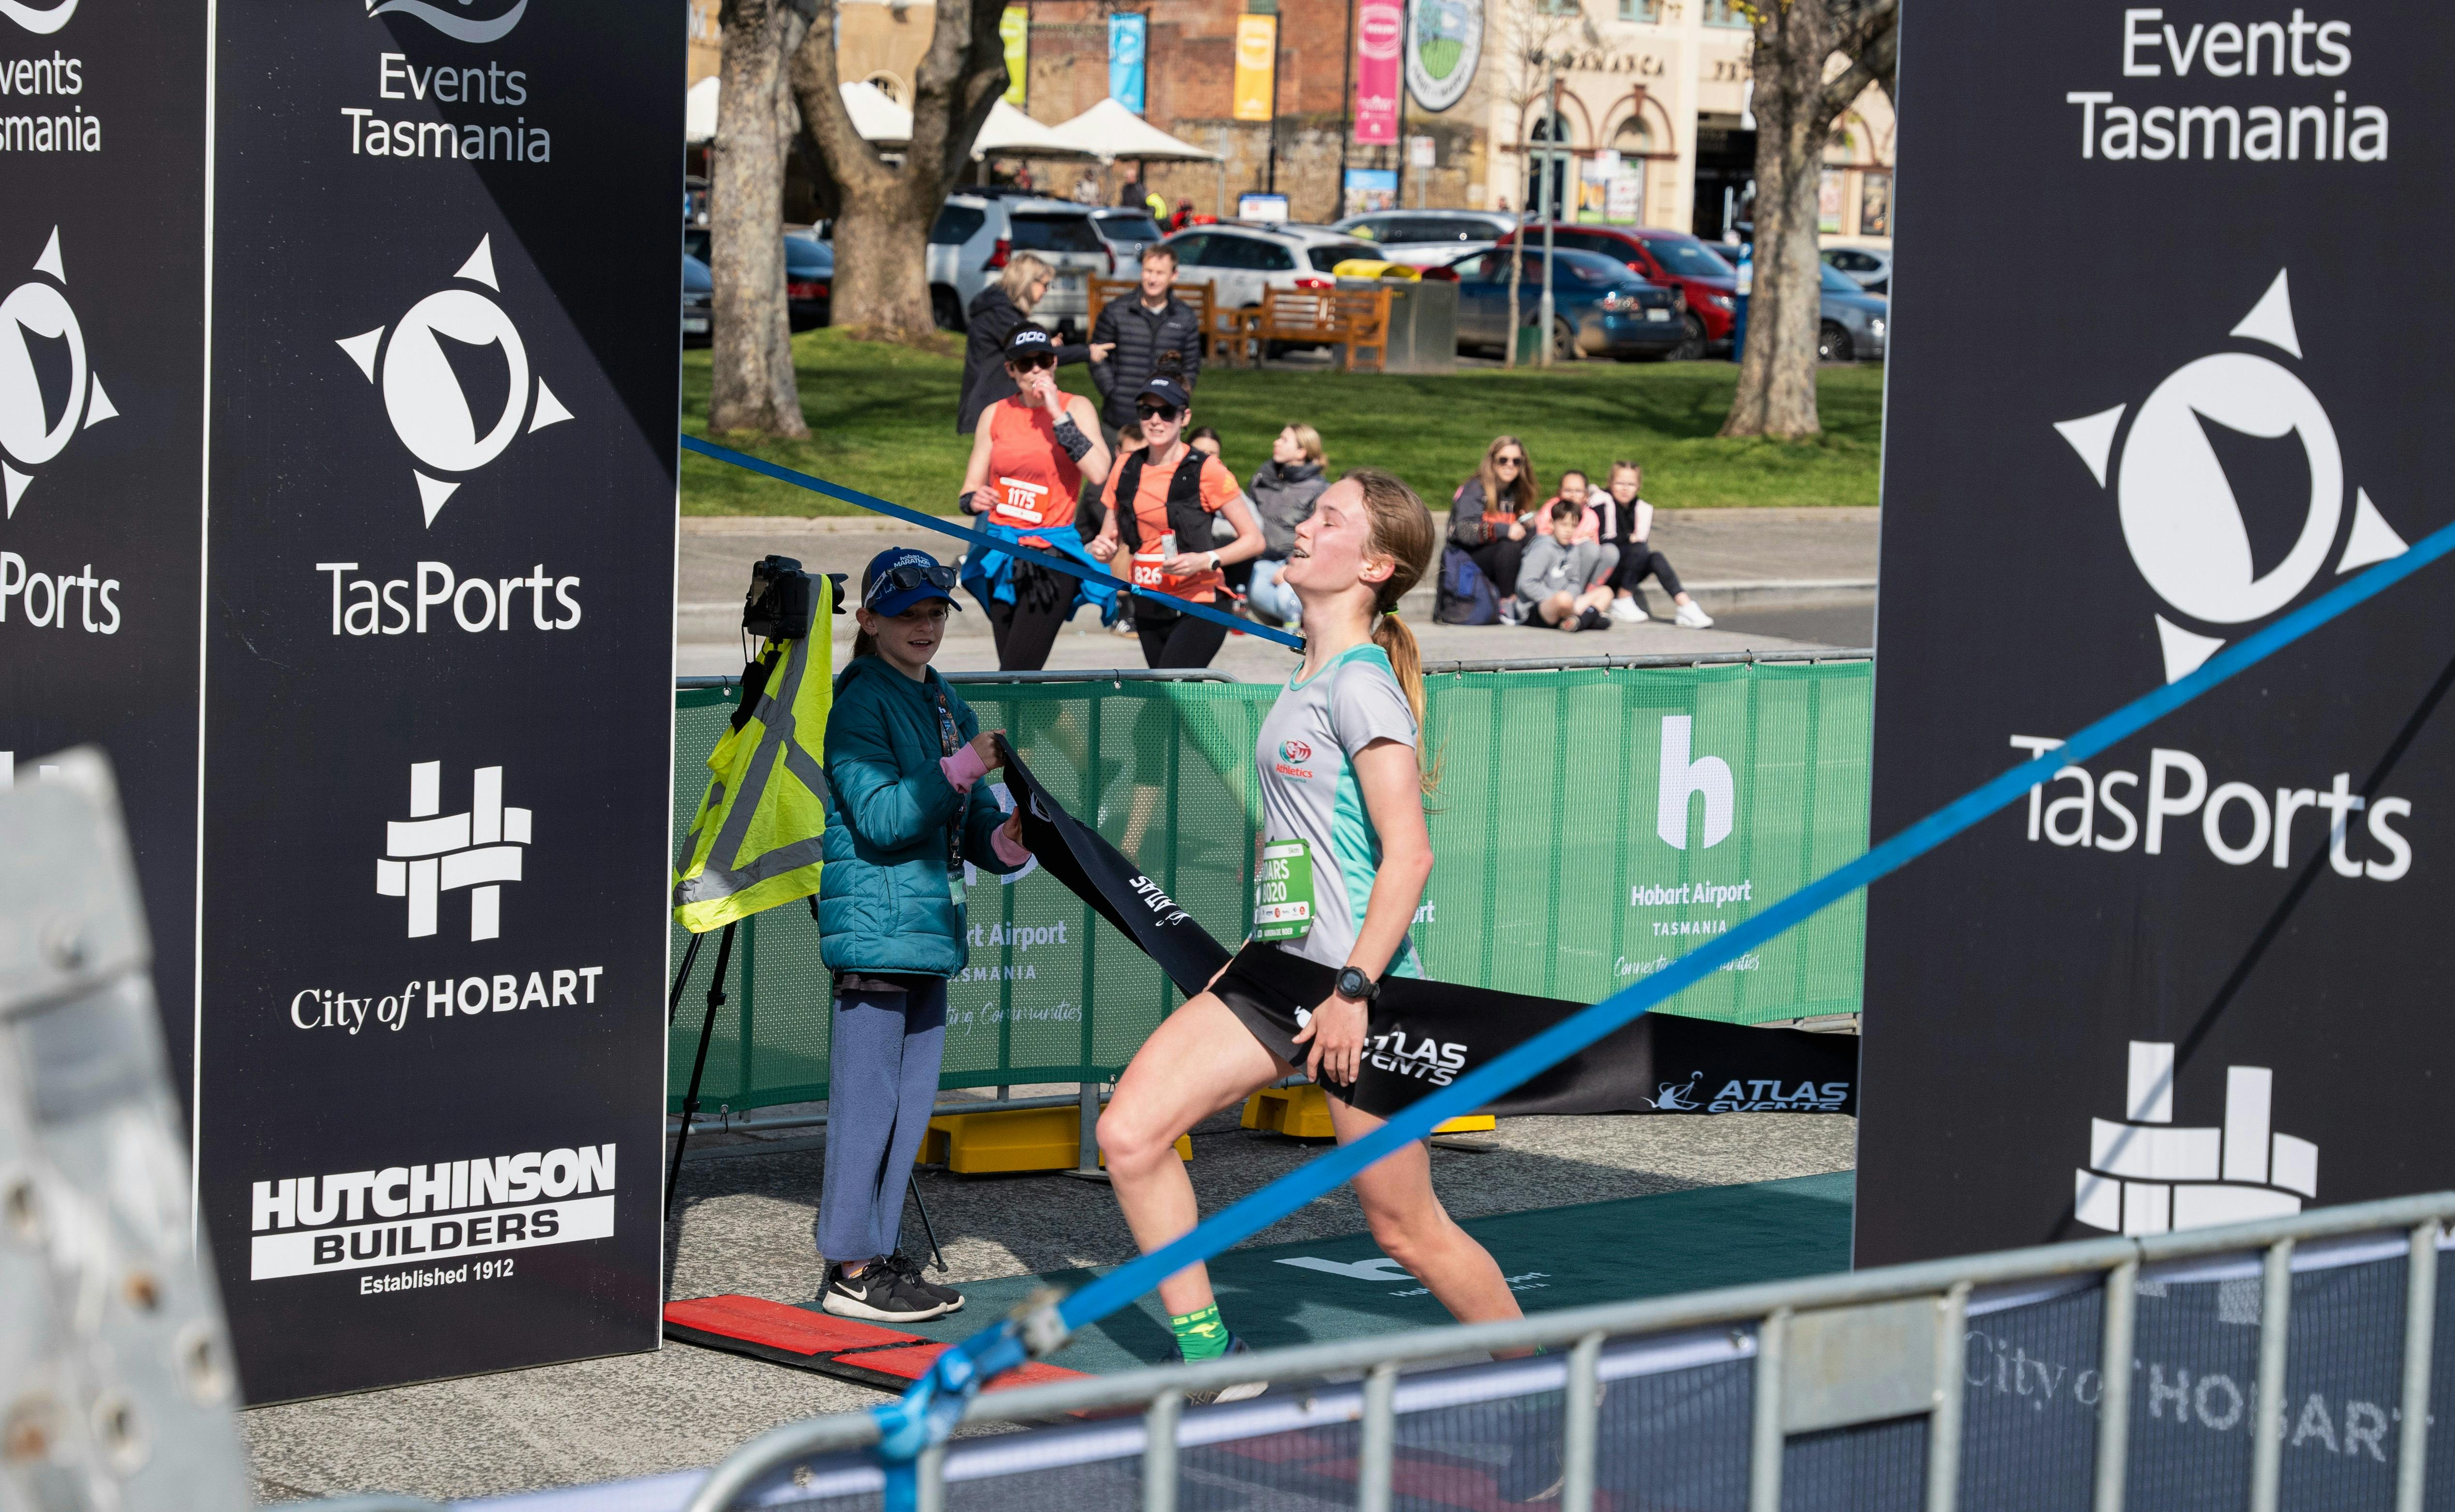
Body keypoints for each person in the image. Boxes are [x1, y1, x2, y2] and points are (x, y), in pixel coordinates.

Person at [1095, 469, 1527, 1394]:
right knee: (1130, 1134)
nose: (1301, 525)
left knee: (1404, 1228)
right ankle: (1210, 1358)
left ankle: (1549, 1382)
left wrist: (1354, 992)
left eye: (1328, 518)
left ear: (1373, 565)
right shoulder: (1310, 670)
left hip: (1357, 987)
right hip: (1275, 970)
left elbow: (1409, 856)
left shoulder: (1362, 684)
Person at [815, 549, 1035, 1322]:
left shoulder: (945, 700)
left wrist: (1011, 837)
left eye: (936, 612)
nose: (925, 625)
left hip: (929, 932)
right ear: (869, 620)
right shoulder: (859, 701)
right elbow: (881, 819)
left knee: (907, 1109)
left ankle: (876, 1254)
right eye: (906, 613)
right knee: (866, 1107)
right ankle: (850, 1265)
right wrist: (963, 768)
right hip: (877, 931)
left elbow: (972, 825)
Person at [957, 325, 1116, 669]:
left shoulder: (1076, 407)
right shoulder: (995, 413)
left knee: (1017, 671)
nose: (1035, 370)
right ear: (1011, 370)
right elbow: (968, 490)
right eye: (1025, 364)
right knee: (1013, 675)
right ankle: (1033, 709)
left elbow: (1100, 472)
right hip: (1001, 553)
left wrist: (1057, 414)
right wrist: (974, 500)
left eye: (1043, 361)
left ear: (1054, 363)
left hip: (1052, 555)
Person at [1087, 375, 1265, 669]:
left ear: (1185, 418)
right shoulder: (1125, 467)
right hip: (1148, 599)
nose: (1156, 420)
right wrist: (1103, 549)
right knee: (1170, 692)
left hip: (1199, 602)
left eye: (1167, 412)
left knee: (1170, 683)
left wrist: (1204, 560)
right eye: (1147, 411)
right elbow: (1110, 538)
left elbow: (1255, 541)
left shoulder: (1207, 469)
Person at [956, 253, 1111, 435]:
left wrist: (1044, 343)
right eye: (1045, 285)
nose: (1046, 291)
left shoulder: (1001, 311)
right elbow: (1032, 353)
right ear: (1027, 281)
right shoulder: (1000, 314)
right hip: (990, 403)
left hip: (994, 402)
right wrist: (1087, 352)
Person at [1090, 247, 1204, 443]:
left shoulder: (1185, 317)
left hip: (1164, 417)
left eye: (1160, 273)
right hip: (1120, 417)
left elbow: (1191, 365)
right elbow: (1097, 357)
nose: (1153, 279)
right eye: (1148, 271)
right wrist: (1112, 391)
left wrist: (1178, 396)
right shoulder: (1116, 312)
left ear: (1174, 275)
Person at [1599, 460, 1713, 627]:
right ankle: (1623, 600)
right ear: (1610, 483)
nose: (1625, 489)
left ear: (1638, 487)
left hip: (1626, 570)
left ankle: (1685, 605)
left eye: (1631, 485)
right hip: (1605, 572)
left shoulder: (1639, 509)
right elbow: (1603, 542)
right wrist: (1629, 540)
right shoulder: (1601, 504)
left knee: (1655, 557)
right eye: (1620, 483)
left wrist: (1631, 542)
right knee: (1639, 548)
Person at [1245, 423, 1328, 627]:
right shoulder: (1261, 480)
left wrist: (1291, 564)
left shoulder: (1319, 490)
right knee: (1262, 591)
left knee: (1287, 597)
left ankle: (1297, 626)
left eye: (1284, 440)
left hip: (1300, 562)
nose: (1277, 443)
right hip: (1260, 561)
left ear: (1301, 452)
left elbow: (1319, 535)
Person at [1446, 435, 1534, 602]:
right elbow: (1464, 531)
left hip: (1499, 560)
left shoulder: (1517, 492)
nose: (1510, 465)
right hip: (1465, 559)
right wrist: (1505, 530)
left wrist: (1529, 529)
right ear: (1492, 462)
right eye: (1503, 460)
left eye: (1516, 461)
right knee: (1509, 547)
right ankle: (1506, 603)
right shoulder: (1475, 489)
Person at [1516, 497, 1620, 632]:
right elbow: (1527, 584)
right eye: (1564, 525)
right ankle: (1587, 620)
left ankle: (1577, 622)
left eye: (1574, 526)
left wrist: (1571, 597)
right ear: (1552, 524)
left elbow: (1574, 582)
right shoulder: (1542, 548)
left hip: (1567, 603)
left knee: (1606, 592)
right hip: (1538, 608)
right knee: (1563, 599)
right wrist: (1557, 597)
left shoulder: (1573, 549)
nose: (1568, 530)